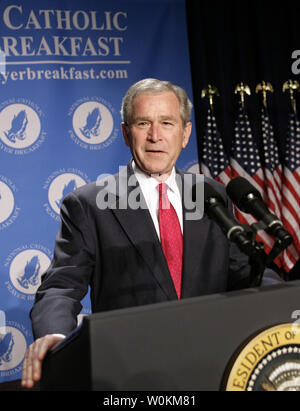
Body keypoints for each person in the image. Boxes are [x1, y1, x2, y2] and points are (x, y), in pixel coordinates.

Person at [21, 78, 280, 388]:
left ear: (184, 134)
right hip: (134, 372)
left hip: (214, 361)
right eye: (144, 123)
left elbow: (242, 271)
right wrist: (55, 335)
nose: (156, 136)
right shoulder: (89, 204)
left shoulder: (212, 195)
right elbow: (61, 286)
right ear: (126, 133)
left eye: (167, 123)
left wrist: (283, 302)